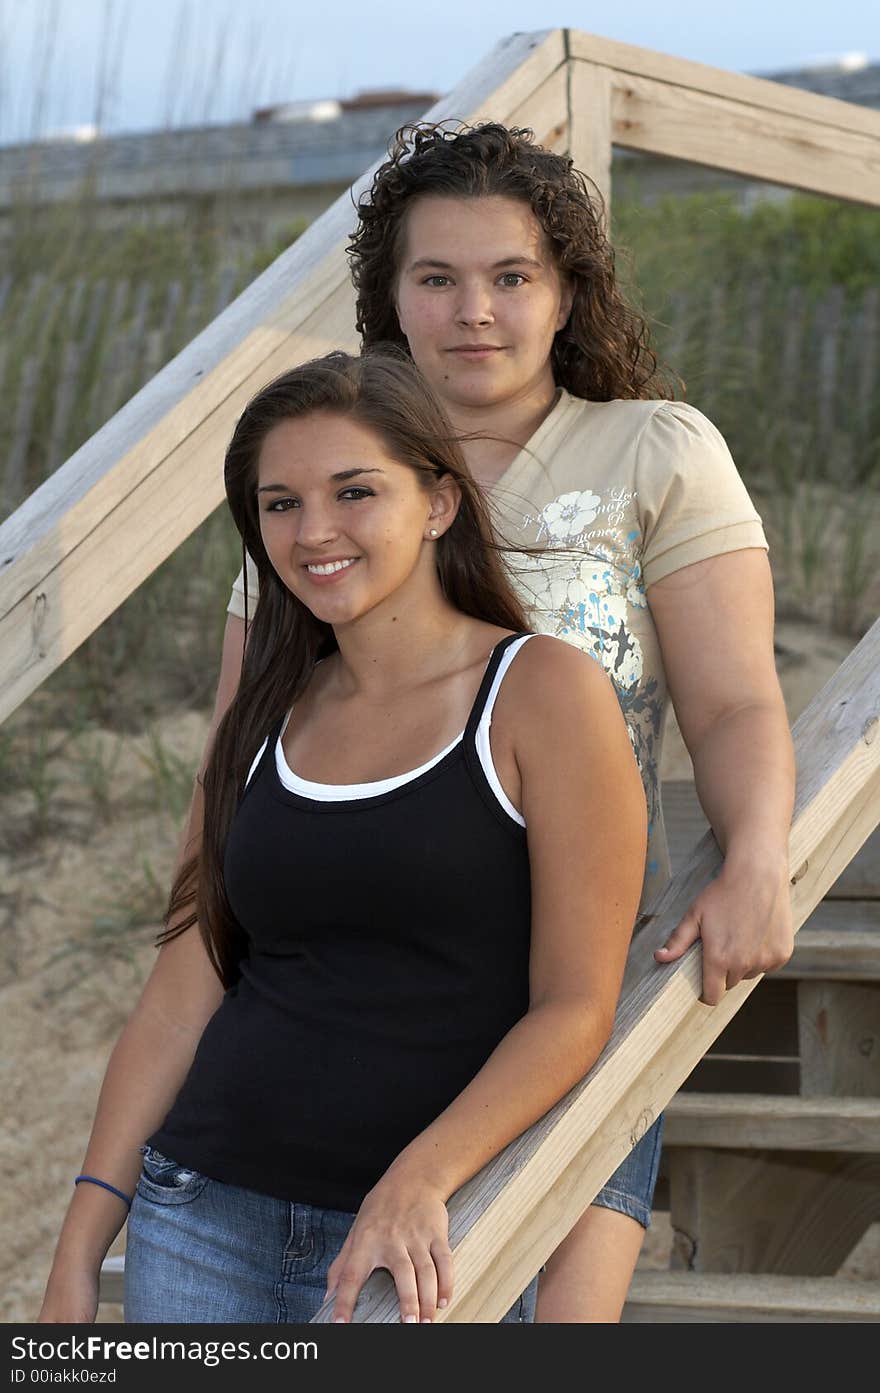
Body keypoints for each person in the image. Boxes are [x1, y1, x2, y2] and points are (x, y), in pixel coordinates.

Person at [221, 122, 797, 1321]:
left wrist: (753, 854)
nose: (472, 309)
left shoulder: (653, 448)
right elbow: (240, 765)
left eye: (511, 276)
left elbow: (736, 698)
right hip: (345, 1000)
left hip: (570, 992)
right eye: (436, 277)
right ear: (388, 298)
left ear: (567, 292)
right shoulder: (323, 479)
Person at [37, 349, 647, 1325]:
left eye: (353, 491)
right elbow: (179, 994)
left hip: (428, 1230)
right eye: (279, 503)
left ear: (438, 503)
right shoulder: (264, 711)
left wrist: (419, 1179)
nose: (314, 530)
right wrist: (79, 1246)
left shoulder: (540, 693)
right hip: (204, 1216)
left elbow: (575, 1006)